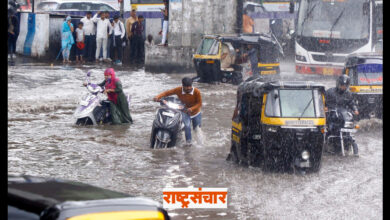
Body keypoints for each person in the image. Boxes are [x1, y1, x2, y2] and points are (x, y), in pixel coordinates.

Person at [153, 77, 202, 146]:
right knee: (187, 126)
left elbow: (199, 104)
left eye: (190, 86)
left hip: (195, 113)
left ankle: (200, 143)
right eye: (186, 87)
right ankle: (189, 143)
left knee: (197, 129)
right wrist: (158, 97)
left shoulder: (197, 92)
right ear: (183, 85)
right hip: (185, 111)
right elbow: (167, 93)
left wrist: (191, 109)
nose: (188, 88)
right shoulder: (178, 90)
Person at [325, 75, 359, 156]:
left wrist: (355, 109)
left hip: (343, 115)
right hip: (332, 114)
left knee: (349, 128)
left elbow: (351, 103)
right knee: (329, 127)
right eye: (342, 85)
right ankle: (327, 142)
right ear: (338, 84)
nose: (343, 87)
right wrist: (325, 107)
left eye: (345, 86)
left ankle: (349, 143)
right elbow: (323, 101)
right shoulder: (330, 92)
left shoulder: (348, 94)